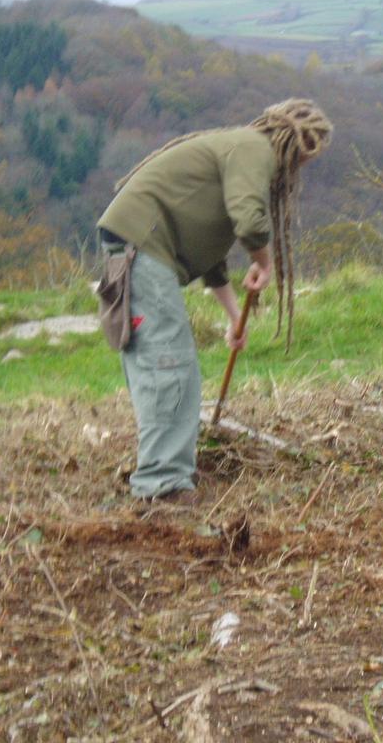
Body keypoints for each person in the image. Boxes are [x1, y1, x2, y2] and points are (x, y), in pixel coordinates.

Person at [97, 99, 333, 502]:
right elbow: (248, 216)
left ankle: (164, 473)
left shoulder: (235, 147)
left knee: (165, 363)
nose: (300, 168)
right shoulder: (253, 148)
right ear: (299, 145)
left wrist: (233, 317)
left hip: (138, 247)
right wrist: (264, 260)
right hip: (144, 248)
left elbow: (212, 259)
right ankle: (161, 486)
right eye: (305, 156)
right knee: (168, 363)